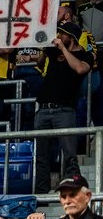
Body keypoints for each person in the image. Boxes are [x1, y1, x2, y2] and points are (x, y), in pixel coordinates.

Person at [34, 22, 93, 193]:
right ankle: (41, 192)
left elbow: (80, 69)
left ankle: (74, 189)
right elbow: (39, 63)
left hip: (65, 110)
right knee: (41, 155)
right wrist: (45, 51)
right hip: (43, 109)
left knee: (69, 154)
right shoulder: (54, 51)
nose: (59, 37)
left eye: (63, 34)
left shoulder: (85, 55)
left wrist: (63, 50)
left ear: (72, 37)